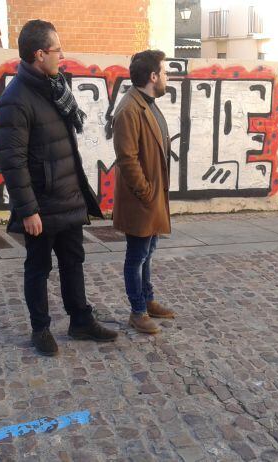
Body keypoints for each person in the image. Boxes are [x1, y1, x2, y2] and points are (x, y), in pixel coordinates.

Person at [0, 19, 117, 356]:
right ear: (39, 54)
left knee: (73, 260)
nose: (61, 55)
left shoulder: (55, 88)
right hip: (41, 205)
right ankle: (41, 329)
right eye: (57, 49)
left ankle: (80, 321)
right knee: (38, 267)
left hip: (67, 195)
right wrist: (29, 209)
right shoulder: (14, 100)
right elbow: (11, 161)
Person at [112, 50, 176, 334]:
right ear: (152, 77)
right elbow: (127, 158)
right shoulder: (129, 109)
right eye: (164, 72)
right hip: (142, 200)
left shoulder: (147, 103)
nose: (167, 77)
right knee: (136, 256)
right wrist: (147, 192)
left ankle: (148, 301)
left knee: (148, 252)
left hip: (152, 198)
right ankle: (137, 311)